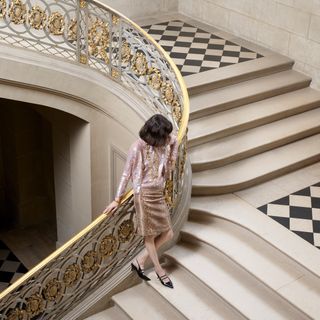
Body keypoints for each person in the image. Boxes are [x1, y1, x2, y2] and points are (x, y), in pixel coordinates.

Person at [103, 114, 179, 289]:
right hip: (143, 195)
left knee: (168, 233)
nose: (167, 139)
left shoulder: (165, 140)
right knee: (150, 236)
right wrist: (117, 199)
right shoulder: (137, 147)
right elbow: (126, 174)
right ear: (154, 136)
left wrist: (172, 160)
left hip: (158, 193)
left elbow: (174, 141)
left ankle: (140, 260)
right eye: (163, 136)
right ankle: (159, 270)